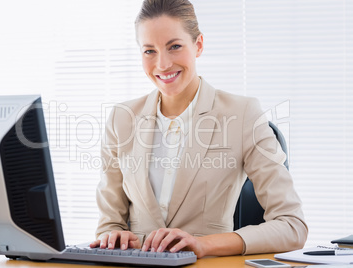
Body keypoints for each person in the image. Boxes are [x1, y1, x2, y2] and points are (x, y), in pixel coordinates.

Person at [90, 0, 308, 258]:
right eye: (149, 51)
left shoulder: (242, 114)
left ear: (199, 45)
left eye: (175, 47)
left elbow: (293, 226)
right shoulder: (122, 119)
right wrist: (113, 236)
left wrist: (204, 244)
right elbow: (108, 224)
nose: (162, 64)